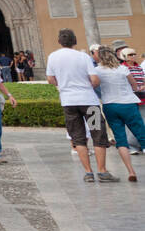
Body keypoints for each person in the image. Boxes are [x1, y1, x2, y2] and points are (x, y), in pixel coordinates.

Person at [46, 29, 115, 182]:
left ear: (59, 41)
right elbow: (95, 79)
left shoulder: (53, 57)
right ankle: (102, 171)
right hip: (89, 101)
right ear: (75, 41)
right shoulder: (83, 56)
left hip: (68, 102)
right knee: (98, 134)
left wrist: (63, 86)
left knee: (78, 137)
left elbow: (50, 79)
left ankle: (88, 172)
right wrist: (87, 86)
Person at [94, 46, 144, 182]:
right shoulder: (122, 69)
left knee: (121, 140)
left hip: (110, 105)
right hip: (128, 104)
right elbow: (134, 85)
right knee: (142, 135)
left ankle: (131, 171)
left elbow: (95, 84)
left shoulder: (97, 70)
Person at [120, 46, 145, 154]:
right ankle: (131, 145)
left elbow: (143, 79)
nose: (133, 56)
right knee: (131, 122)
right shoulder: (122, 68)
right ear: (125, 57)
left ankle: (140, 144)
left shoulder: (139, 67)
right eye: (130, 54)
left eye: (134, 54)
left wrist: (143, 86)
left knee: (142, 121)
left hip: (142, 97)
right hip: (129, 99)